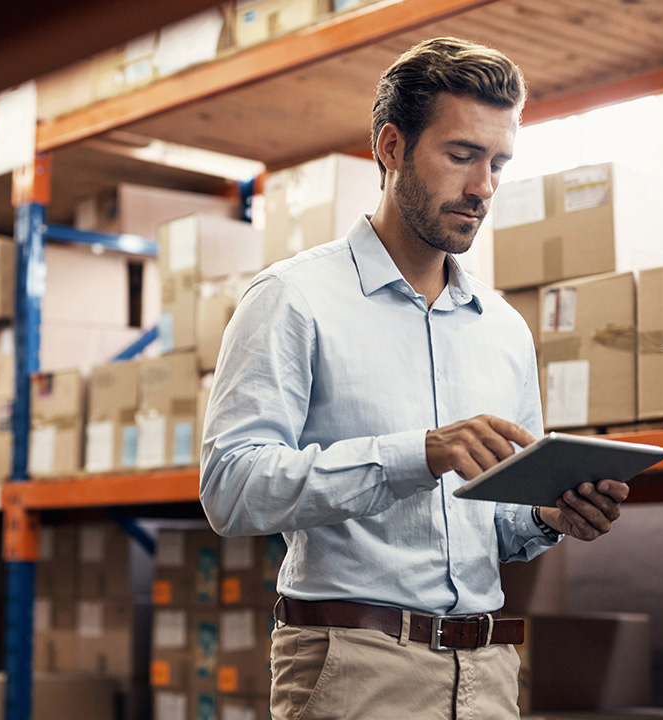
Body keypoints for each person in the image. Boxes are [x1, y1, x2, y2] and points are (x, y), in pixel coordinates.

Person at [199, 37, 629, 719]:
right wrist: (419, 453)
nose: (482, 186)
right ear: (391, 147)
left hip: (487, 673)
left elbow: (496, 522)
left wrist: (548, 515)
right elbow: (231, 490)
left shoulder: (503, 328)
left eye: (498, 163)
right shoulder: (293, 299)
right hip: (354, 669)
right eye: (461, 156)